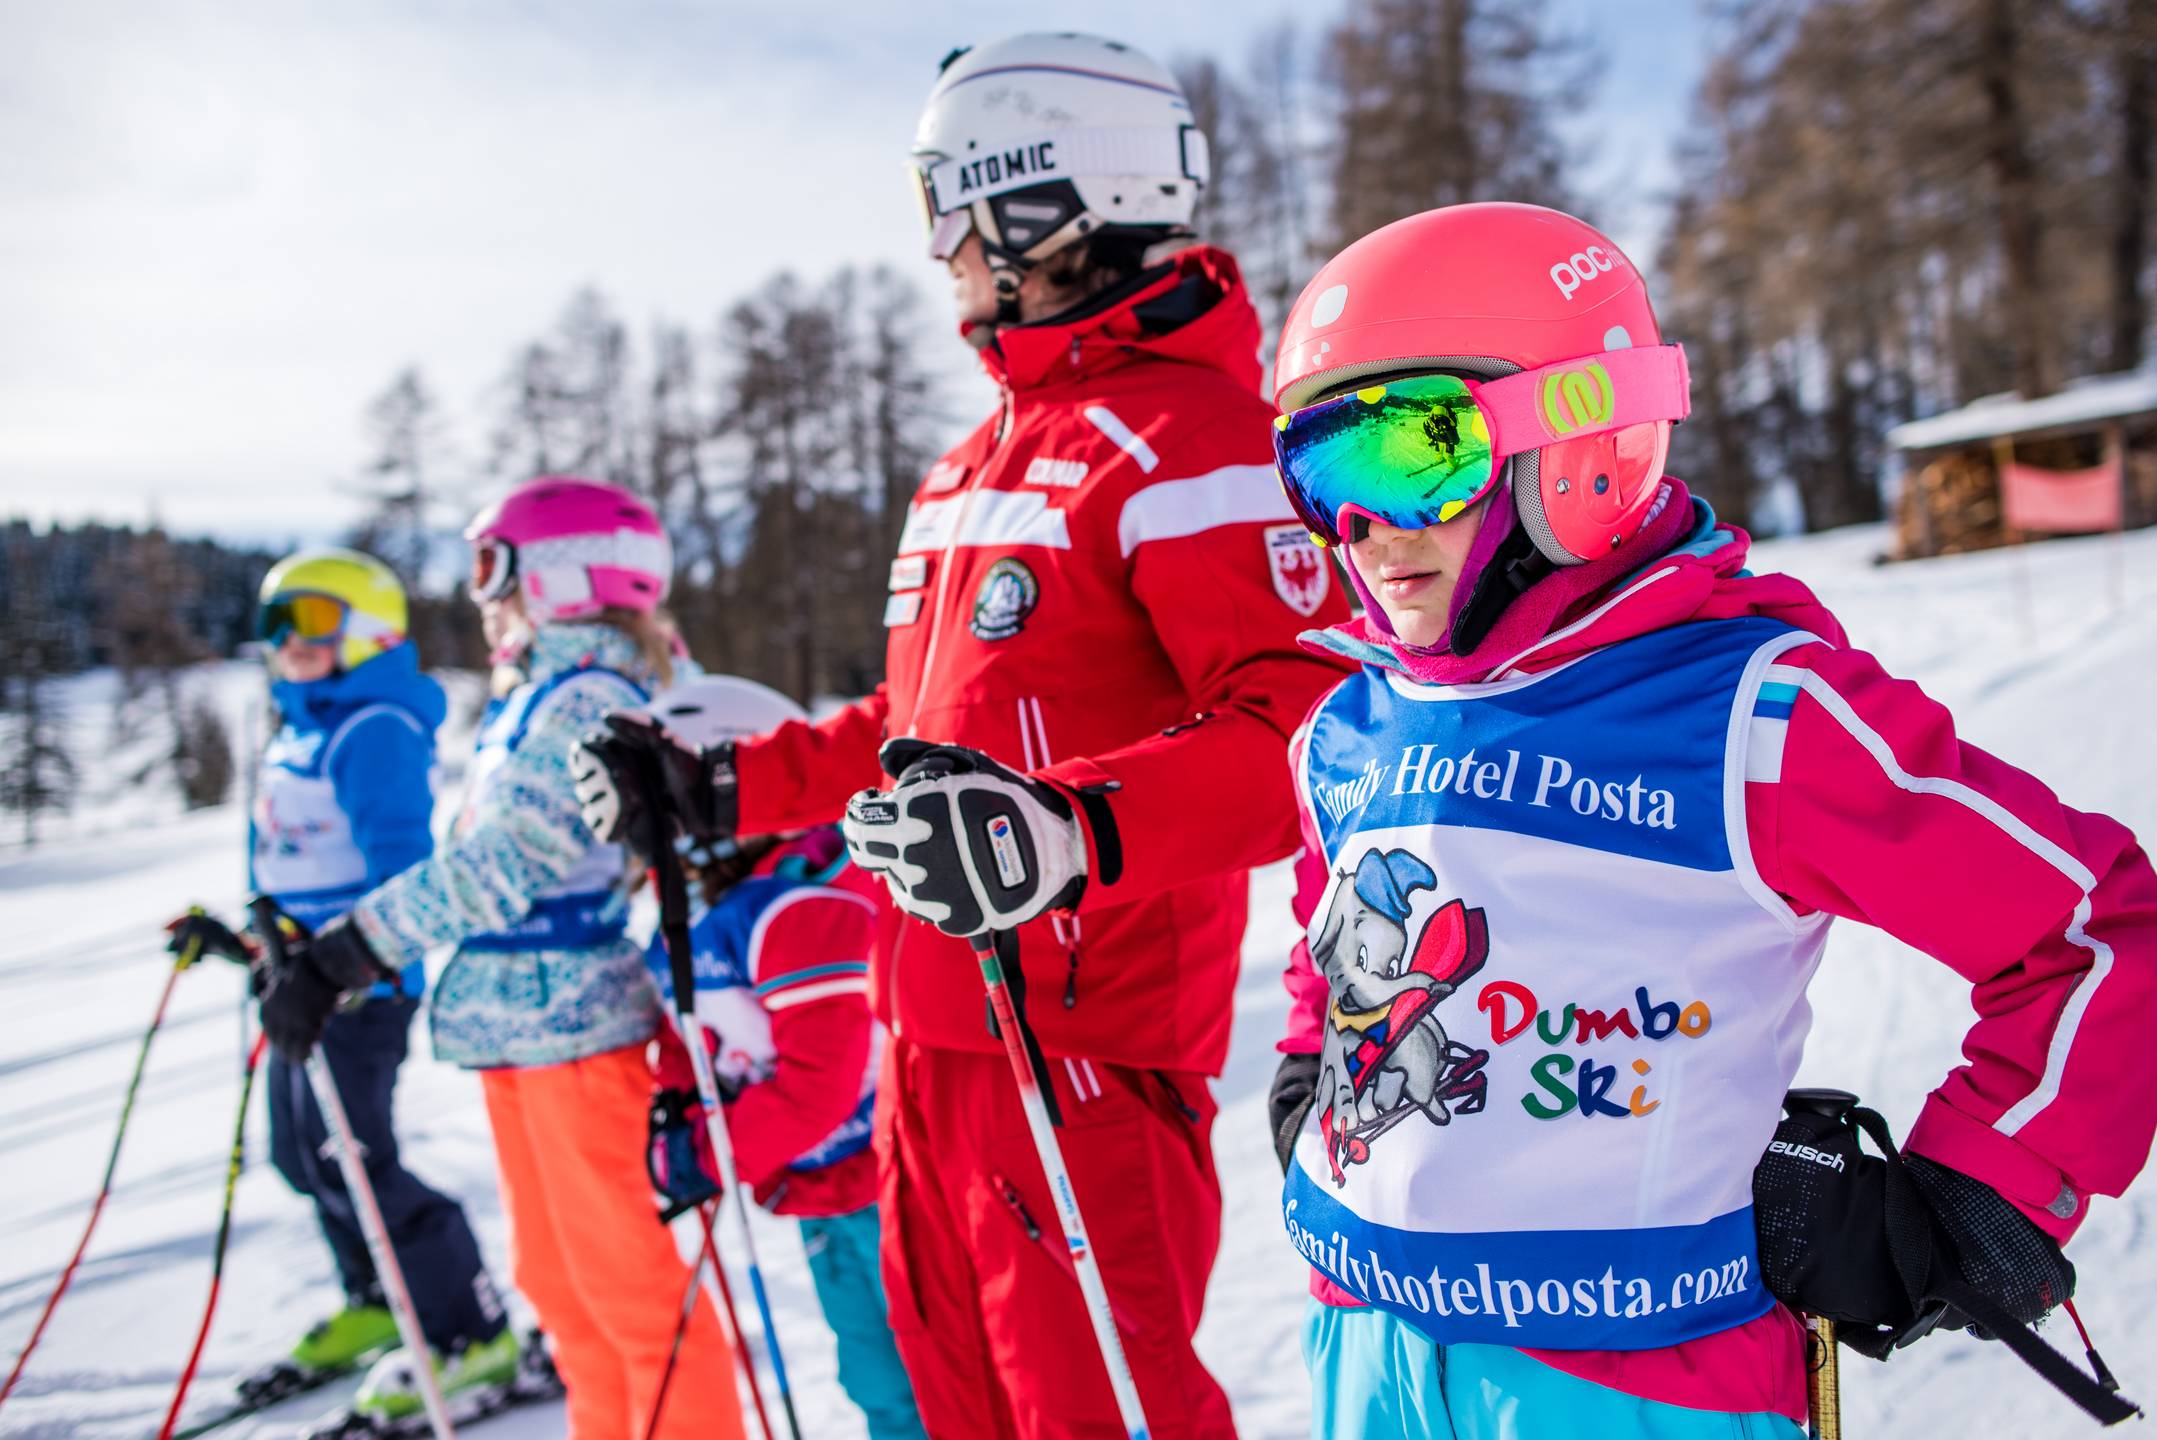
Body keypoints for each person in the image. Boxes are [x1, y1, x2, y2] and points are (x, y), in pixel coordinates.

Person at [1260, 202, 2157, 1438]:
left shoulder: (1750, 717)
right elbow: (1334, 930)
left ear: (1577, 441)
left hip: (1634, 1385)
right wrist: (1305, 1069)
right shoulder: (1350, 724)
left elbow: (2097, 930)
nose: (1360, 526)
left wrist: (1976, 1196)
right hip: (1363, 1351)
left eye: (1408, 453)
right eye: (1319, 473)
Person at [574, 32, 1354, 1439]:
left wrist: (1068, 829)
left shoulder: (1196, 443)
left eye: (950, 205)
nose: (940, 248)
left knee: (1095, 1413)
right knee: (953, 1406)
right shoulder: (978, 458)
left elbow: (1306, 736)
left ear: (1043, 201)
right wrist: (722, 785)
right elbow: (916, 730)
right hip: (925, 1037)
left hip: (1079, 1051)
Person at [255, 480, 746, 1440]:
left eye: (493, 567)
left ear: (563, 576)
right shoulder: (546, 693)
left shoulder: (591, 698)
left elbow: (508, 862)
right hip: (523, 1025)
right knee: (561, 1291)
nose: (481, 593)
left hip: (575, 1028)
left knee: (632, 1294)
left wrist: (355, 949)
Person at [168, 548, 514, 1413]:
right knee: (302, 1157)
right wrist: (243, 940)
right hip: (299, 980)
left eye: (313, 618)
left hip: (358, 989)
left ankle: (473, 1331)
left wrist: (348, 964)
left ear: (371, 628)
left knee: (352, 1159)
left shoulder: (373, 729)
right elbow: (299, 868)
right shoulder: (304, 727)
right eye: (275, 621)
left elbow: (401, 871)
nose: (289, 638)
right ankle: (378, 1300)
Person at [633, 677, 927, 1440]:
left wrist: (711, 1152)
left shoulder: (801, 907)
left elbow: (818, 1088)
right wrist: (681, 1108)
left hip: (885, 1187)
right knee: (872, 1376)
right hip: (817, 1187)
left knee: (926, 1375)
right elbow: (691, 1031)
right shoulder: (709, 915)